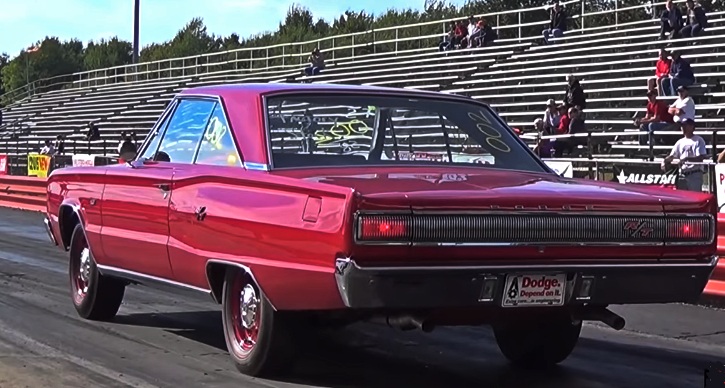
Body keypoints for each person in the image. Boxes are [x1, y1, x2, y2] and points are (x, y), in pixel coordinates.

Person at [661, 118, 706, 192]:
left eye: (686, 126)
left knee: (694, 196)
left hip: (694, 173)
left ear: (692, 127)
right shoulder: (680, 142)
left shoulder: (698, 140)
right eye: (682, 126)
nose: (683, 128)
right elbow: (672, 156)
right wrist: (665, 160)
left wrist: (686, 159)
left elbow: (700, 158)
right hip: (682, 174)